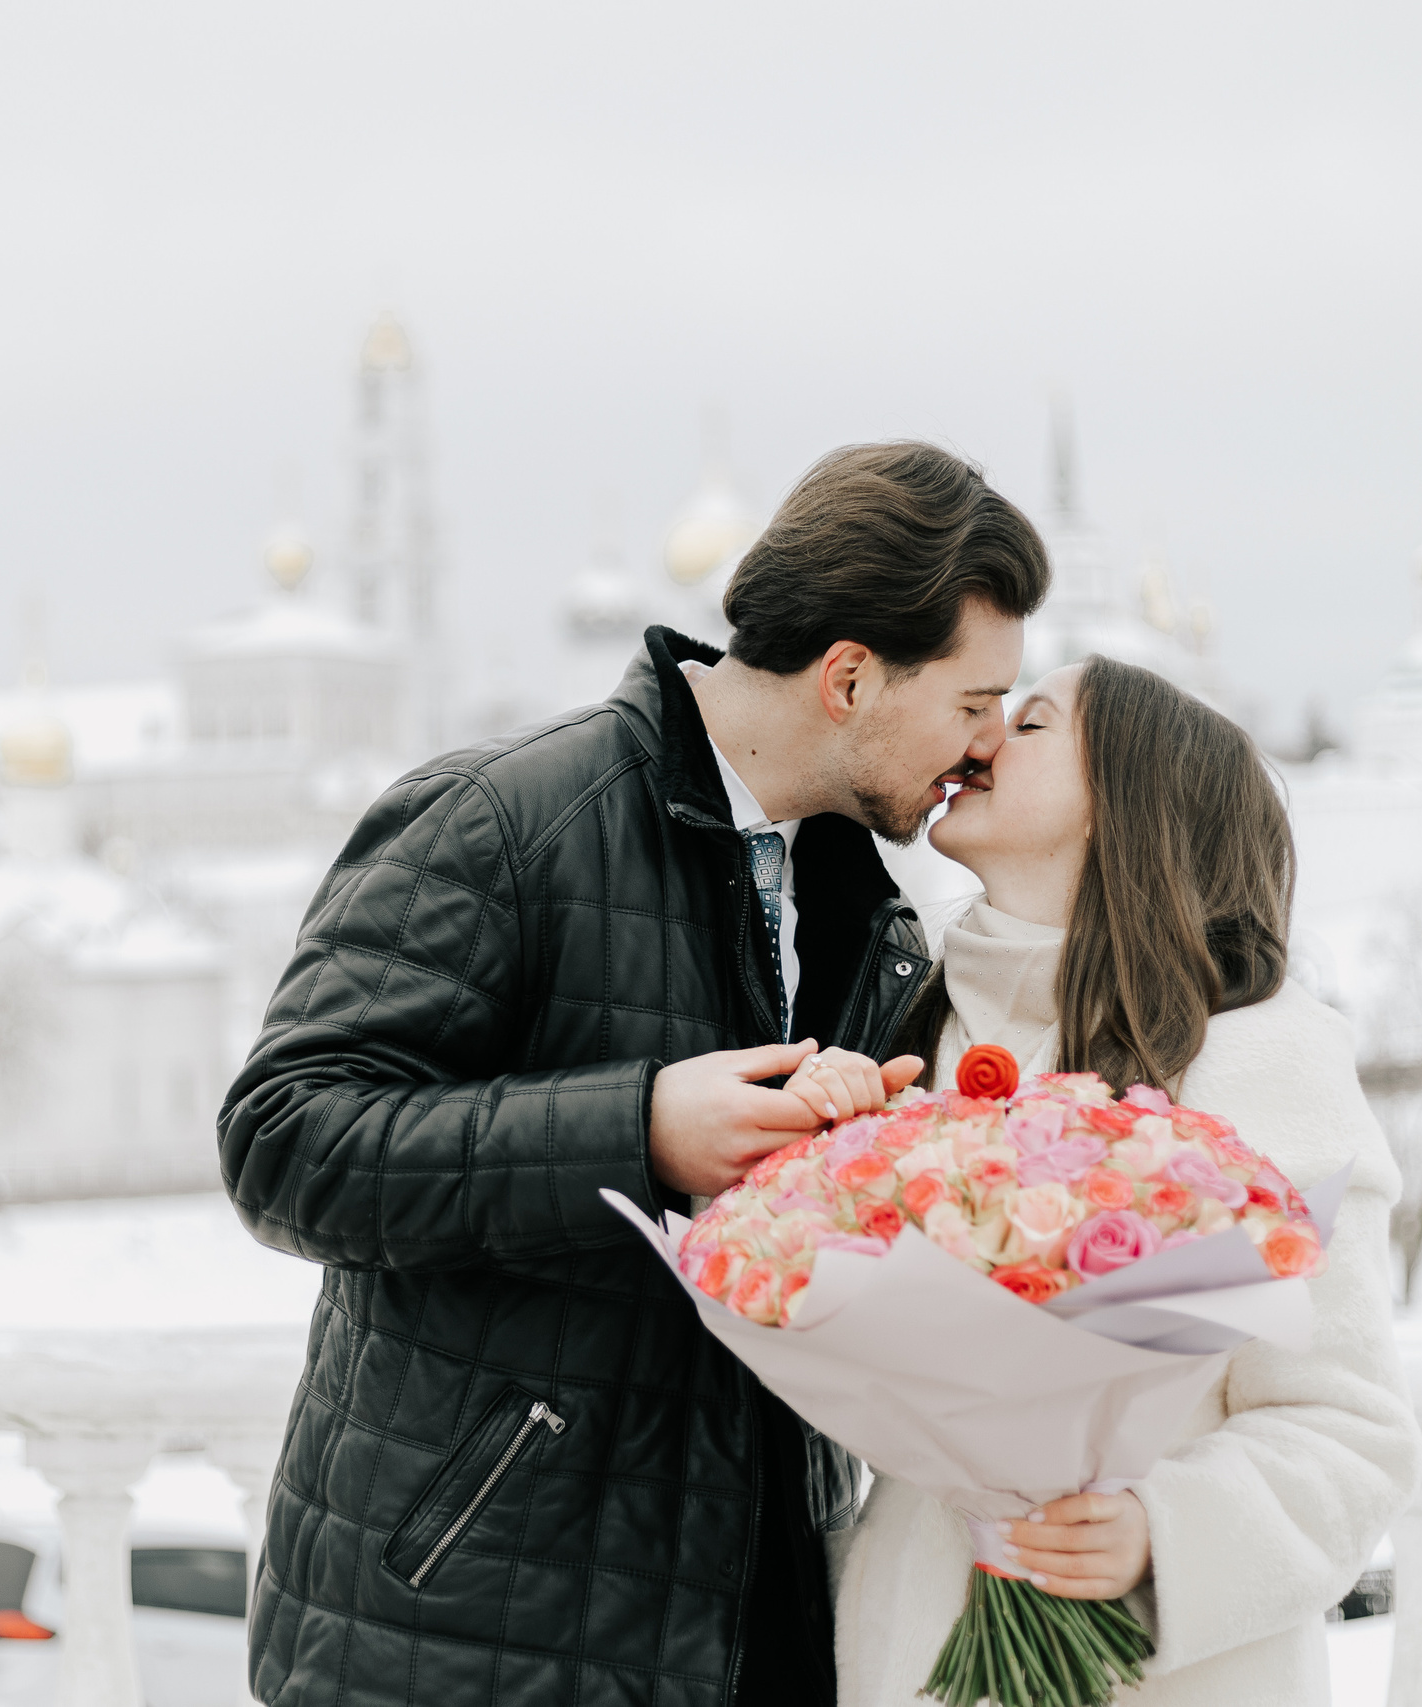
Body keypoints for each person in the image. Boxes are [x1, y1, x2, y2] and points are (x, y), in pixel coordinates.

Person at [217, 441, 1049, 1707]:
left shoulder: (869, 915)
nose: (984, 748)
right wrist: (638, 1128)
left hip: (746, 1625)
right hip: (467, 1637)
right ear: (849, 677)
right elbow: (286, 1143)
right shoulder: (501, 819)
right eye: (974, 703)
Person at [828, 655, 1422, 1704]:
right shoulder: (900, 1026)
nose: (982, 739)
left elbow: (1345, 1428)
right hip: (916, 1646)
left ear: (1123, 810)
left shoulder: (1262, 1065)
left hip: (1156, 1668)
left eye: (1035, 722)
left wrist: (1161, 1532)